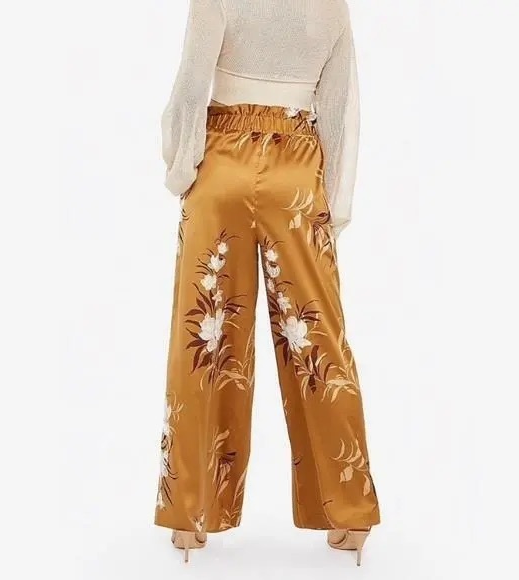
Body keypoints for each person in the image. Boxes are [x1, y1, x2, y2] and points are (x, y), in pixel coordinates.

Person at [154, 0, 380, 565]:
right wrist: (335, 201)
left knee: (203, 337)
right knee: (318, 337)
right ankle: (349, 514)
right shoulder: (331, 6)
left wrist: (181, 165)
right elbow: (340, 106)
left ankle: (190, 515)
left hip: (220, 163)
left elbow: (191, 87)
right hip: (297, 168)